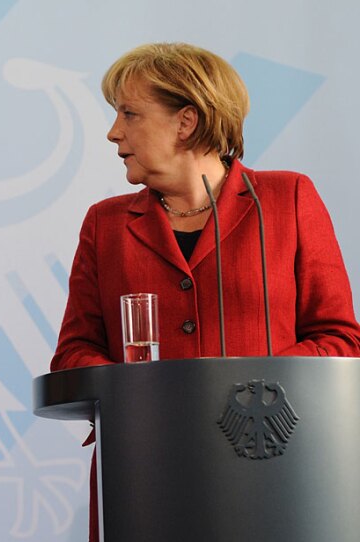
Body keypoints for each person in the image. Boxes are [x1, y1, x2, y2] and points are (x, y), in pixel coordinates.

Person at [49, 42, 360, 541]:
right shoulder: (104, 224)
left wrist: (248, 389)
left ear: (186, 121)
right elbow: (72, 355)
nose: (113, 133)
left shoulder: (287, 199)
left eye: (129, 113)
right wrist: (146, 394)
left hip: (276, 472)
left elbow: (340, 340)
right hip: (144, 475)